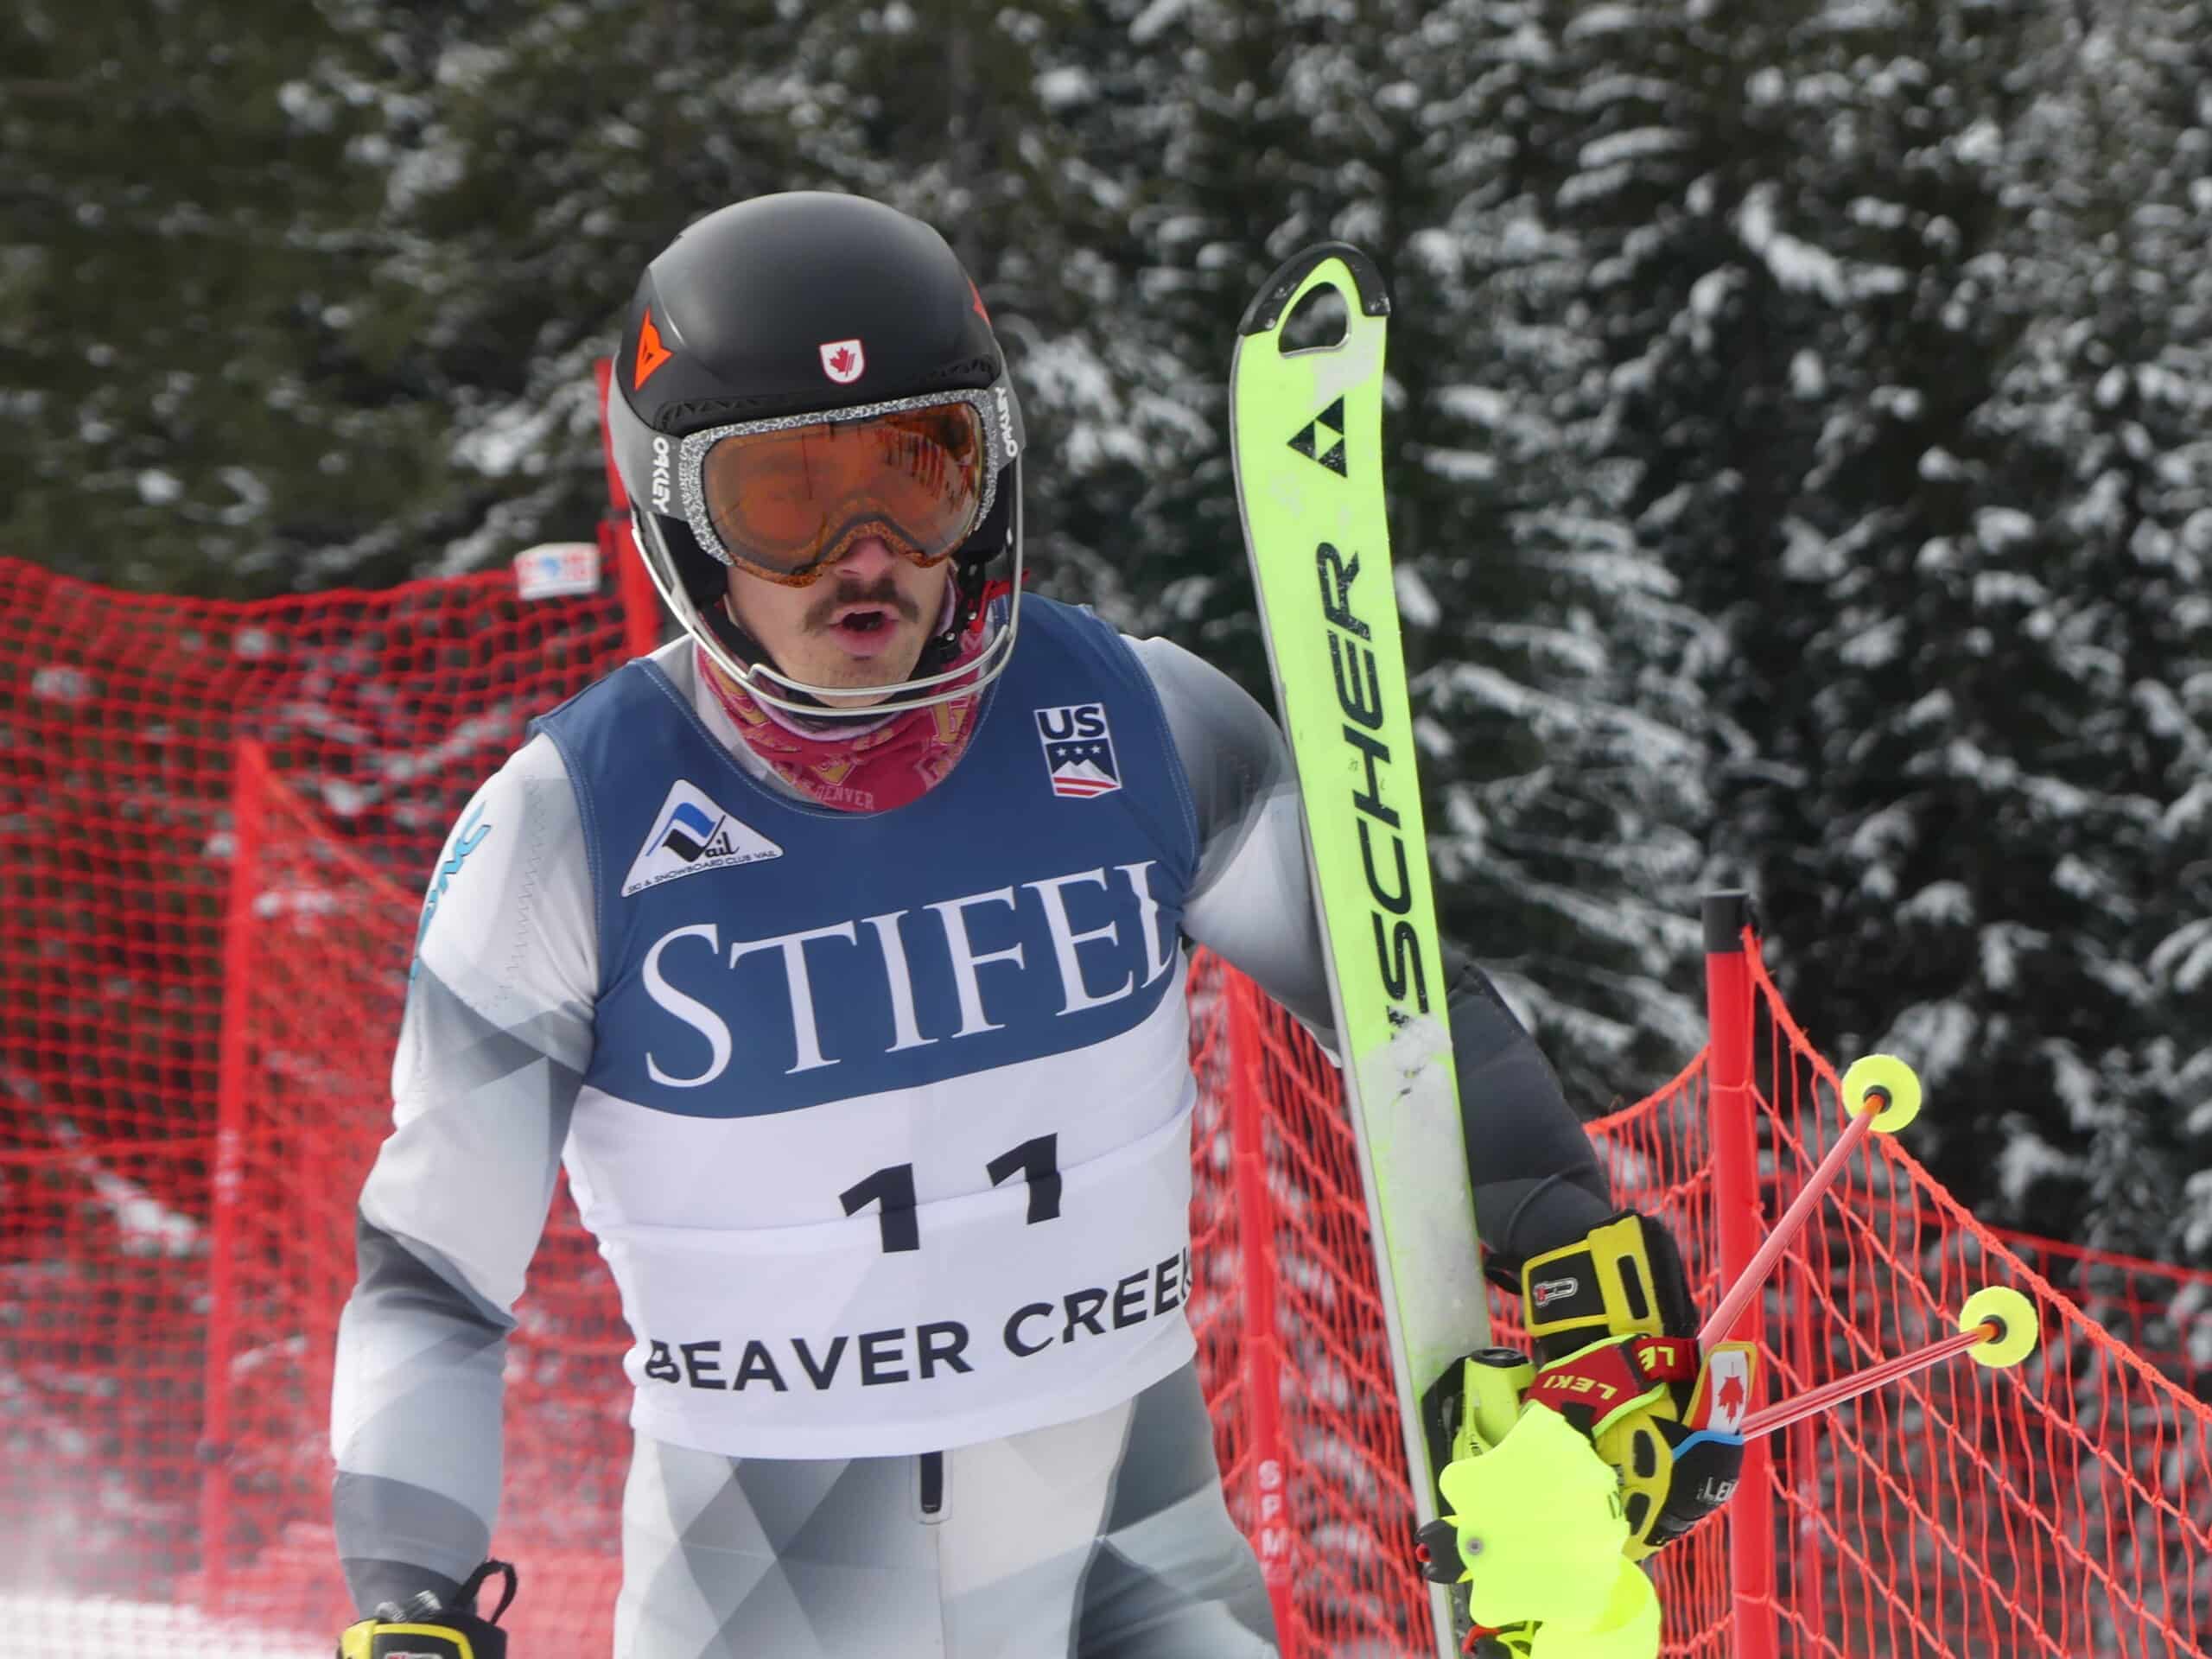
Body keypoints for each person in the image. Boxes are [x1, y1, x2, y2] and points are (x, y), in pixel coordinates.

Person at [332, 192, 1732, 1659]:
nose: (864, 553)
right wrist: (410, 1595)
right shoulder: (564, 828)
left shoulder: (1141, 720)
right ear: (682, 516)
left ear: (987, 483)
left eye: (917, 476)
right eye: (788, 503)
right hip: (768, 1585)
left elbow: (1401, 1004)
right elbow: (433, 1270)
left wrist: (1574, 1260)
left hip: (1132, 1542)